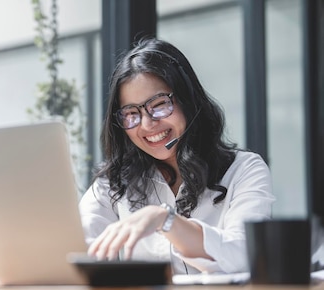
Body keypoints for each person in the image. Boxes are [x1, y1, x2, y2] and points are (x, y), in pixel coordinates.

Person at [79, 38, 275, 274]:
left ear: (188, 100)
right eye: (131, 113)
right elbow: (76, 250)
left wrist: (164, 219)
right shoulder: (112, 182)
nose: (147, 124)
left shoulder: (244, 169)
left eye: (159, 104)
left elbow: (243, 255)